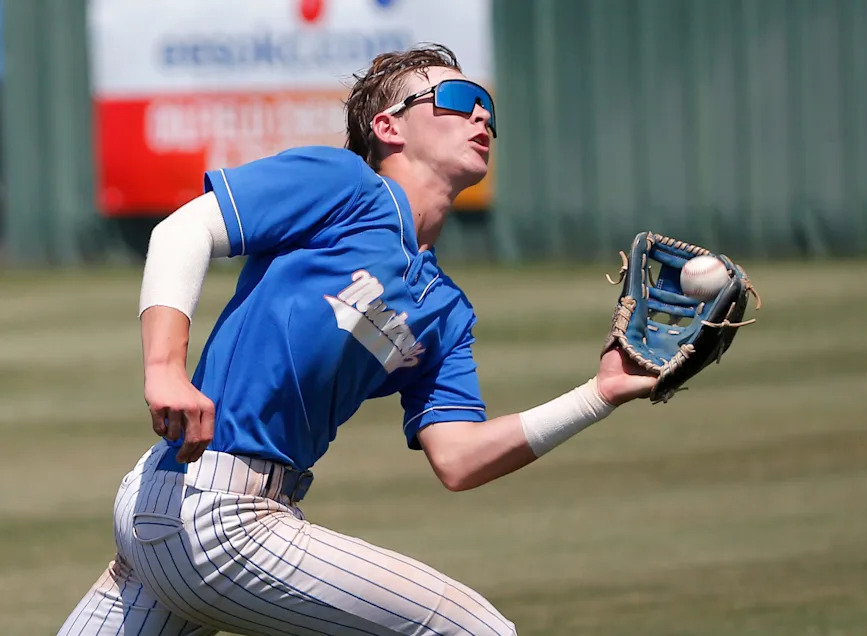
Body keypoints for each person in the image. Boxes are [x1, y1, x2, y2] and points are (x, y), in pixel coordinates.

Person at [59, 44, 655, 636]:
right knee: (474, 630)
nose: (481, 116)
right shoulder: (346, 187)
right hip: (211, 511)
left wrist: (599, 394)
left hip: (182, 525)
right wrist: (164, 368)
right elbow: (182, 231)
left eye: (486, 106)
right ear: (388, 127)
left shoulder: (444, 309)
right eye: (455, 99)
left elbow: (459, 458)